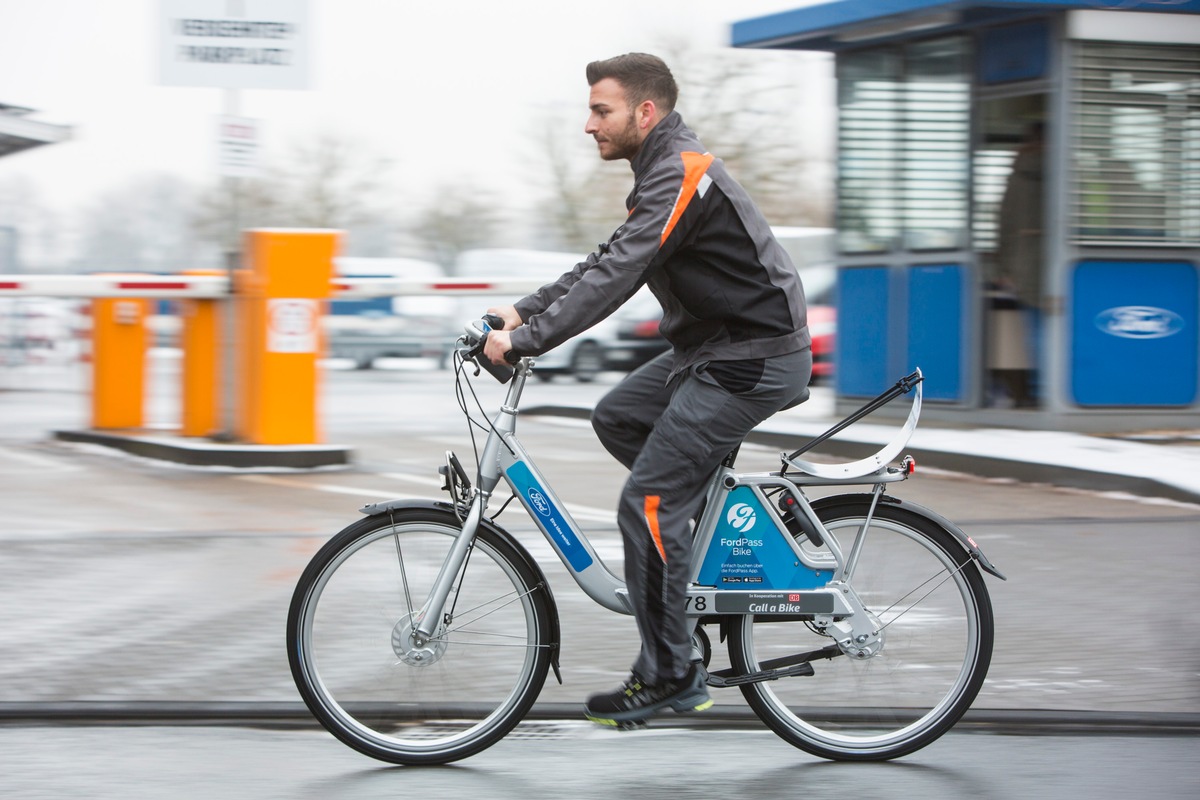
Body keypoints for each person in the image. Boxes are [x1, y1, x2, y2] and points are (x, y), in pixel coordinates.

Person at [483, 53, 812, 728]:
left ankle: (672, 674)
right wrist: (525, 310)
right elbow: (608, 257)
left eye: (600, 110)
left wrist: (527, 342)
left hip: (754, 356)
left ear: (645, 112)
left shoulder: (683, 171)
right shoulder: (661, 175)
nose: (587, 124)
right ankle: (700, 549)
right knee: (619, 417)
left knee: (650, 503)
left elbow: (620, 276)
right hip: (712, 351)